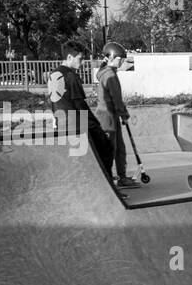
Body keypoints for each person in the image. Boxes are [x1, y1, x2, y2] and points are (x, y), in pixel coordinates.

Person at [48, 42, 115, 186]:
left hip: (62, 124)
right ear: (70, 57)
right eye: (80, 58)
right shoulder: (71, 76)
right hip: (78, 124)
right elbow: (80, 105)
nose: (83, 62)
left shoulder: (53, 74)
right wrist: (95, 125)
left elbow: (54, 103)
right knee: (106, 148)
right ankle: (107, 185)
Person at [94, 42, 139, 188]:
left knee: (119, 148)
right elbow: (116, 98)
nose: (122, 61)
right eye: (120, 58)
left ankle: (122, 176)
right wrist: (124, 114)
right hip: (107, 116)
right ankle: (107, 178)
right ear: (111, 57)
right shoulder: (110, 75)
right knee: (111, 149)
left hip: (110, 115)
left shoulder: (108, 73)